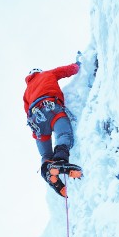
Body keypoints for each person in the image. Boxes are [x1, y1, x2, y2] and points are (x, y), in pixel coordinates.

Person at [23, 60, 81, 195]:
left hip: (36, 121)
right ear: (39, 72)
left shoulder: (26, 93)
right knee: (64, 135)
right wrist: (78, 66)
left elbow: (27, 111)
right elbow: (65, 70)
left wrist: (37, 135)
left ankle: (48, 172)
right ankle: (60, 160)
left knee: (45, 154)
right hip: (51, 108)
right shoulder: (47, 74)